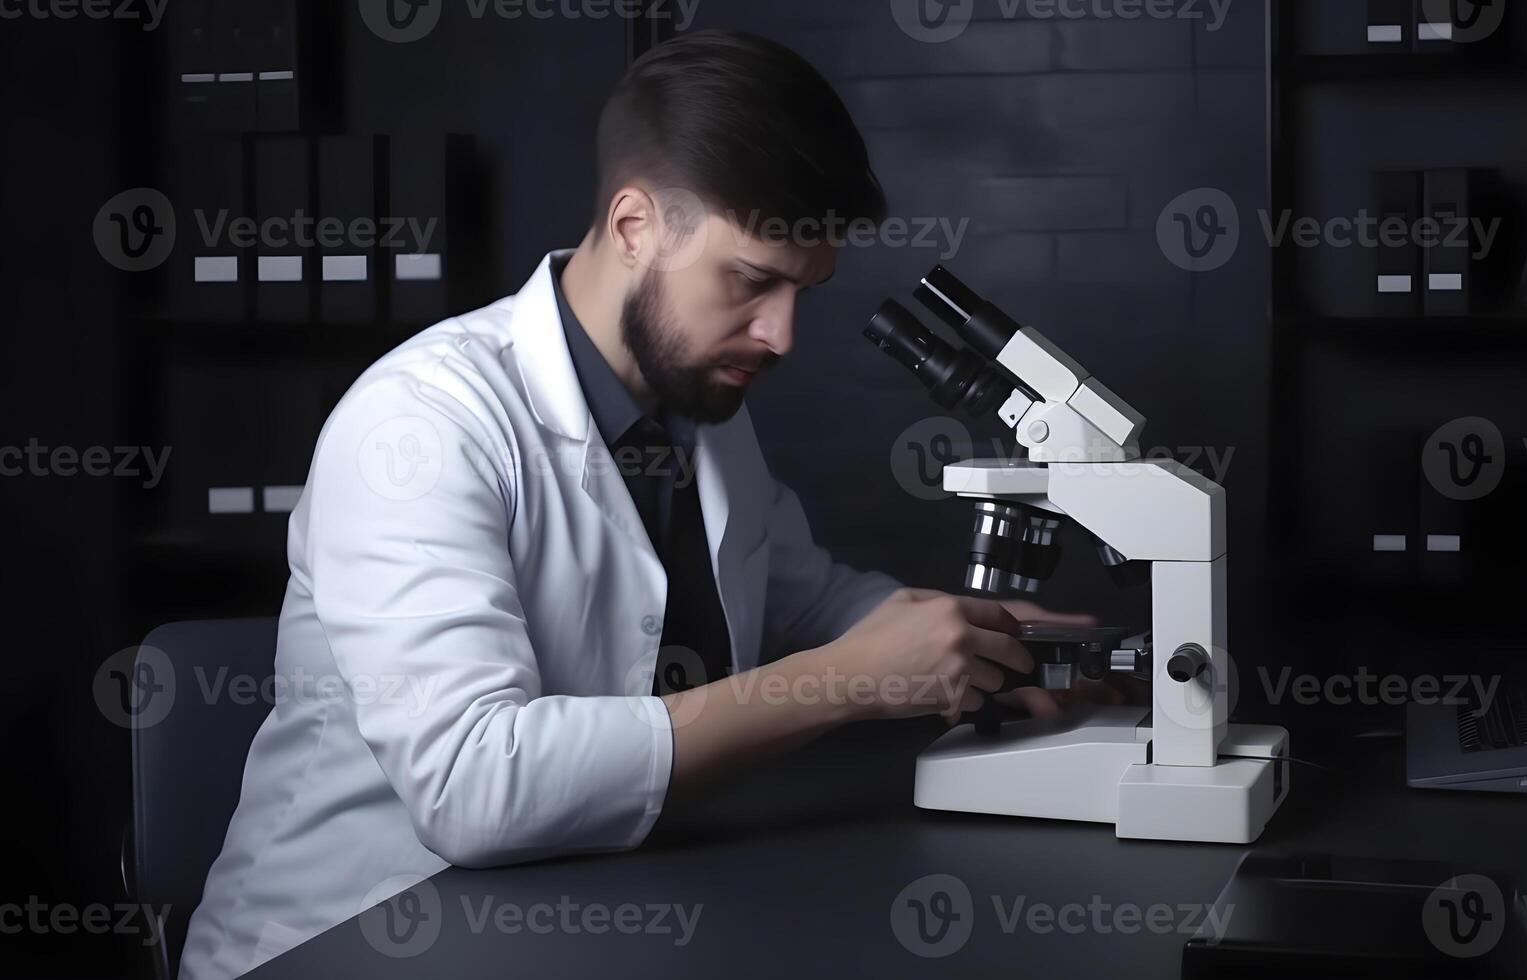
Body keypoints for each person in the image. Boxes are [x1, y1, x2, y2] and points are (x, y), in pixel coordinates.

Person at [178, 30, 1092, 979]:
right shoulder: (419, 426)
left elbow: (809, 598)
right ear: (632, 226)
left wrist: (973, 640)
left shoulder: (699, 404)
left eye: (801, 292)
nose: (780, 334)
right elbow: (473, 787)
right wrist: (846, 681)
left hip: (577, 917)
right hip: (346, 942)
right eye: (749, 282)